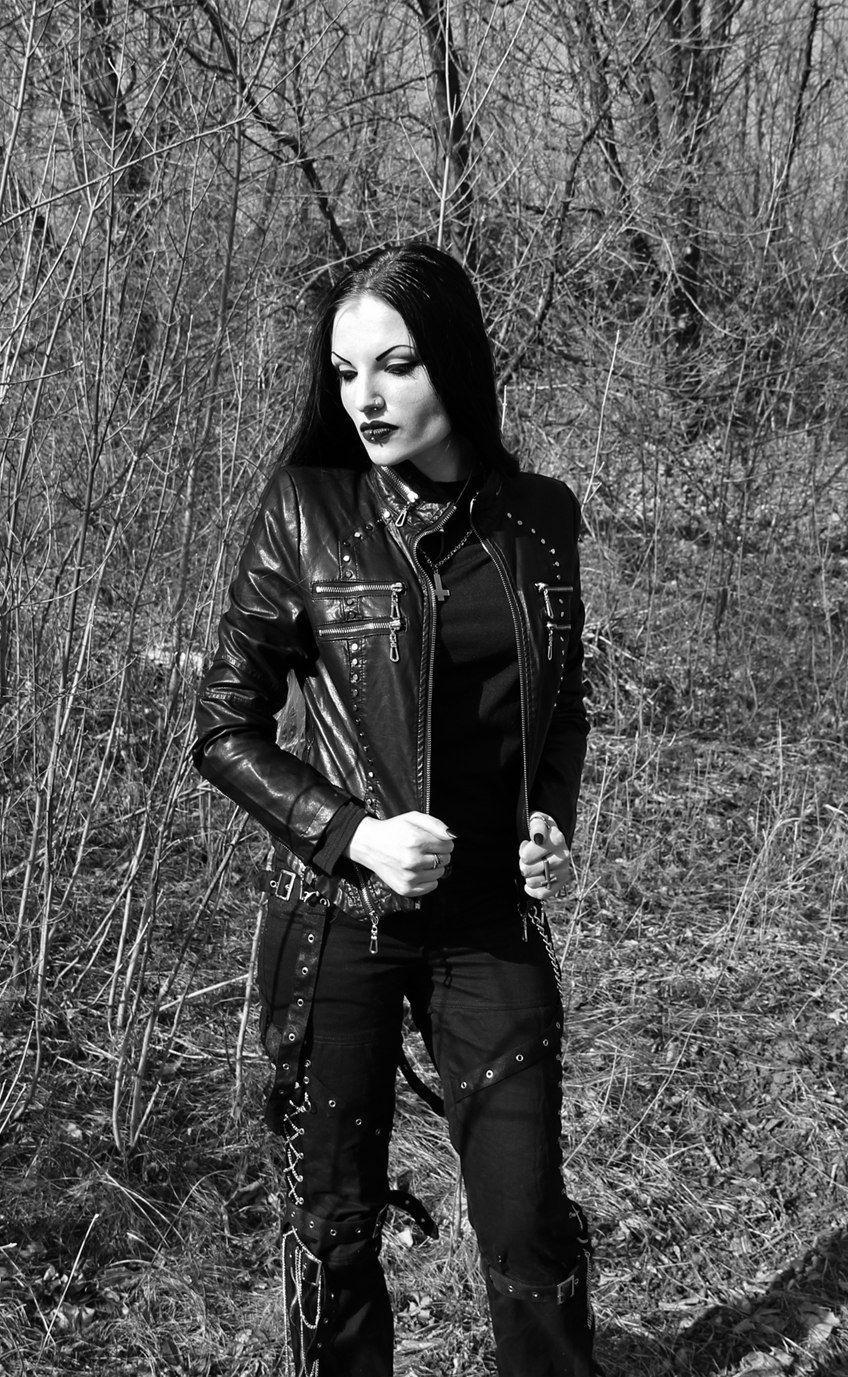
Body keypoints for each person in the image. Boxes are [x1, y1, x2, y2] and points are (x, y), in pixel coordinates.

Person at [193, 243, 598, 1377]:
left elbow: (562, 706)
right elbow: (222, 727)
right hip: (338, 924)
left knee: (527, 1222)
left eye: (395, 365)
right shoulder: (308, 510)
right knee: (334, 1226)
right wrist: (355, 833)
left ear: (454, 364)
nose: (364, 397)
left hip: (488, 924)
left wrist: (549, 823)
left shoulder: (541, 519)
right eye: (344, 372)